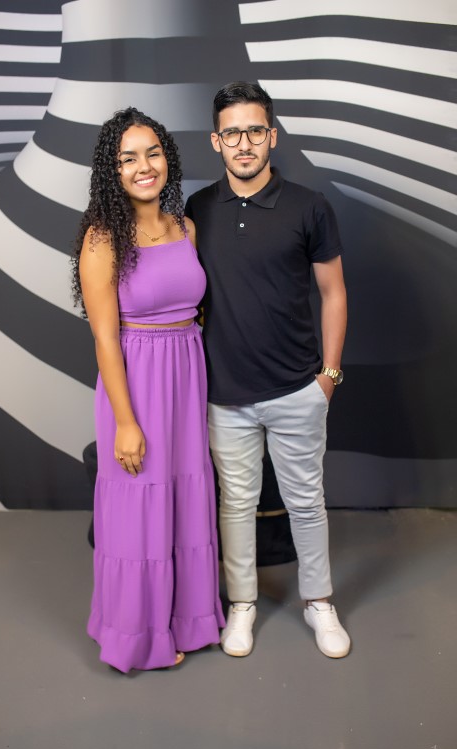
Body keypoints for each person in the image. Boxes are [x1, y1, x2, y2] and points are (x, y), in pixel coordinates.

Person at [185, 82, 351, 659]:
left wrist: (328, 377)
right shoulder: (198, 209)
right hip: (224, 394)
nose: (244, 143)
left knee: (306, 502)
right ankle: (243, 605)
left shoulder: (310, 206)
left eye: (255, 130)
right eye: (232, 133)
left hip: (297, 388)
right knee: (236, 504)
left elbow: (333, 293)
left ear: (272, 136)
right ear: (216, 142)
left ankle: (319, 602)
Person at [72, 107, 225, 673]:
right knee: (139, 510)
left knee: (185, 498)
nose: (144, 166)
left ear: (168, 159)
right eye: (128, 158)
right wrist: (126, 422)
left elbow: (195, 309)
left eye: (153, 153)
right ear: (112, 171)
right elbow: (105, 339)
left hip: (185, 376)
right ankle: (138, 635)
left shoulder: (185, 227)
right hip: (136, 384)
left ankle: (188, 620)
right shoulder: (102, 239)